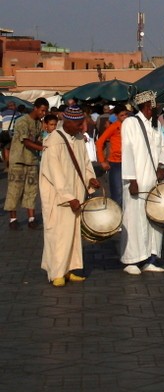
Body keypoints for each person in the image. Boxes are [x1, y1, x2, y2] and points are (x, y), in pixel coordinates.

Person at [39, 105, 101, 286]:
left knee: (73, 234)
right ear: (67, 122)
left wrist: (91, 179)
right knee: (58, 234)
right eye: (79, 124)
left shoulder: (80, 139)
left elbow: (85, 163)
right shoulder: (53, 141)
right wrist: (69, 197)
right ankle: (57, 272)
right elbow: (54, 172)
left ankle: (70, 269)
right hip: (58, 198)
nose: (82, 127)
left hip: (76, 195)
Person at [120, 91, 164, 275]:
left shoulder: (154, 127)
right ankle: (131, 260)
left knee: (153, 220)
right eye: (154, 106)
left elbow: (163, 148)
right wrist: (132, 179)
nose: (155, 110)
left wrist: (161, 165)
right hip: (137, 181)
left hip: (153, 182)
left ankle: (150, 258)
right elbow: (128, 151)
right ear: (147, 106)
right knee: (133, 219)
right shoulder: (130, 123)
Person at [4, 98, 48, 229]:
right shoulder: (22, 121)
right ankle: (13, 219)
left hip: (32, 161)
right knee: (14, 190)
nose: (43, 113)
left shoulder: (39, 124)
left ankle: (31, 218)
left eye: (45, 111)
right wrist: (42, 148)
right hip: (18, 160)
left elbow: (40, 139)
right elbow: (26, 141)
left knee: (32, 190)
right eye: (42, 110)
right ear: (35, 108)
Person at [96, 104, 129, 207]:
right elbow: (99, 142)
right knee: (117, 194)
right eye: (122, 115)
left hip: (128, 162)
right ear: (116, 116)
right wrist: (102, 161)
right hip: (115, 164)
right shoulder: (114, 127)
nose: (124, 117)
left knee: (127, 193)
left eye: (126, 115)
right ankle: (116, 218)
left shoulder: (130, 126)